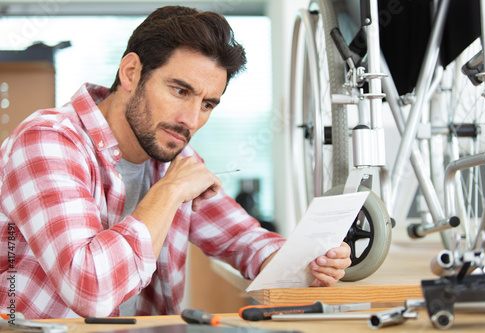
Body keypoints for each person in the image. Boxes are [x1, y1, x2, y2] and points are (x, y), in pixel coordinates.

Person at [0, 5, 351, 319]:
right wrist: (168, 192)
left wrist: (311, 261)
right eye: (180, 91)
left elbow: (242, 240)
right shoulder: (48, 140)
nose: (191, 119)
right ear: (131, 72)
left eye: (207, 104)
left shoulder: (172, 153)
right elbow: (91, 291)